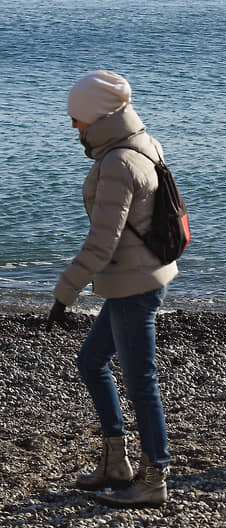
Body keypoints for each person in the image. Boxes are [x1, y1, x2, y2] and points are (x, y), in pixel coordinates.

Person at [46, 70, 177, 506]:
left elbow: (103, 242)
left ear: (97, 117)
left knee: (141, 381)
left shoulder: (118, 163)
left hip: (131, 284)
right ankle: (116, 463)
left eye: (77, 119)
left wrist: (64, 293)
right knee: (91, 361)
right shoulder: (144, 143)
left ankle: (154, 479)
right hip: (142, 274)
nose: (74, 128)